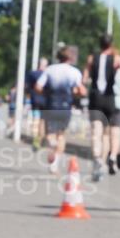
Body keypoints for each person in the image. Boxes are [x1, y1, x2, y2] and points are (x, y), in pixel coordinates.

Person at [84, 33, 120, 181]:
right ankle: (110, 158)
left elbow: (84, 79)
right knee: (108, 134)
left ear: (100, 44)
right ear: (111, 44)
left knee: (96, 132)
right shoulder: (117, 59)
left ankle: (97, 158)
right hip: (110, 98)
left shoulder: (92, 58)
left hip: (95, 97)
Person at [34, 46, 86, 174]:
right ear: (70, 58)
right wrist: (74, 94)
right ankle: (55, 164)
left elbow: (38, 87)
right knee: (61, 135)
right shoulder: (74, 72)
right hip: (66, 107)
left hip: (51, 105)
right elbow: (82, 91)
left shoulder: (50, 69)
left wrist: (46, 93)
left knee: (50, 135)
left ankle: (52, 144)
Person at [26, 58, 50, 149]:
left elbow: (27, 87)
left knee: (36, 120)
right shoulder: (48, 74)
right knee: (43, 121)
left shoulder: (32, 74)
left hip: (35, 100)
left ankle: (36, 139)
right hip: (46, 101)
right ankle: (42, 139)